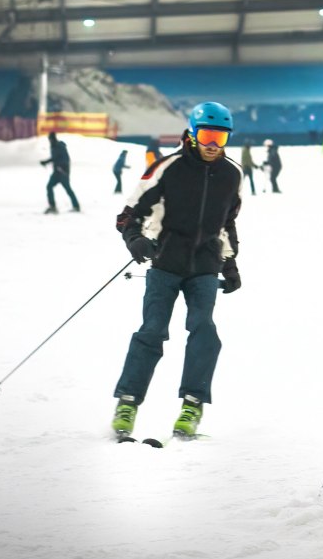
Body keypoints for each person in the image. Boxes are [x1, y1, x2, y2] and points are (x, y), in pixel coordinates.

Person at [110, 102, 243, 443]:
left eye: (221, 136)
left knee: (204, 328)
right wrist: (136, 240)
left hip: (204, 266)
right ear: (193, 134)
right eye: (207, 135)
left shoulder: (232, 174)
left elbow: (227, 223)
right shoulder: (167, 168)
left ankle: (192, 405)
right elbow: (127, 216)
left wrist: (229, 263)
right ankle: (128, 402)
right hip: (166, 262)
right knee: (152, 330)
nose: (214, 144)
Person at [40, 131, 80, 214]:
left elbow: (66, 160)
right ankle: (52, 206)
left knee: (68, 189)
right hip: (56, 172)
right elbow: (54, 158)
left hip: (62, 173)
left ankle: (76, 206)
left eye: (50, 139)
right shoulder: (54, 146)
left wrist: (63, 169)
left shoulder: (60, 147)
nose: (50, 141)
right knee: (49, 187)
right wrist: (46, 162)